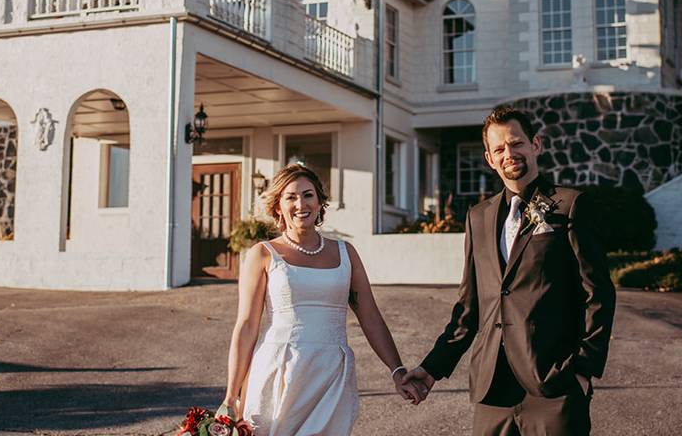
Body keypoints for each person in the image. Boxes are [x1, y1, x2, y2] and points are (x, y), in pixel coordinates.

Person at [402, 106, 616, 435]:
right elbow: (469, 309)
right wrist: (432, 369)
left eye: (516, 144)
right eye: (499, 148)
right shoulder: (478, 217)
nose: (509, 154)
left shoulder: (571, 205)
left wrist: (582, 371)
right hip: (493, 391)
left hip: (553, 386)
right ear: (489, 158)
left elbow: (597, 293)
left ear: (536, 145)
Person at [221, 163, 415, 435]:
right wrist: (231, 395)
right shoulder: (263, 254)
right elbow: (247, 326)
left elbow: (370, 316)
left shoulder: (346, 253)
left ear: (320, 202)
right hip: (278, 371)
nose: (300, 203)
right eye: (290, 197)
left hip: (331, 374)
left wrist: (397, 370)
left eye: (308, 194)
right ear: (278, 206)